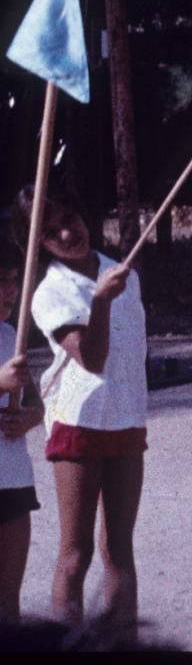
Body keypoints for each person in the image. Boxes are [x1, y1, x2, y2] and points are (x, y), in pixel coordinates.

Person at [11, 186, 146, 638]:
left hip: (126, 418)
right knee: (75, 552)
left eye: (70, 217)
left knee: (120, 548)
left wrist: (110, 292)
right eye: (51, 233)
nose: (69, 233)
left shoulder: (120, 272)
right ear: (39, 245)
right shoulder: (50, 293)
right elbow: (93, 357)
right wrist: (101, 301)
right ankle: (64, 649)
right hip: (78, 422)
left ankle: (122, 644)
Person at [0, 234, 45, 626]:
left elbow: (37, 404)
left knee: (8, 604)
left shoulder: (10, 339)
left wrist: (30, 417)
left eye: (13, 279)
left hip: (13, 481)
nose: (10, 291)